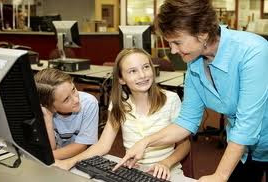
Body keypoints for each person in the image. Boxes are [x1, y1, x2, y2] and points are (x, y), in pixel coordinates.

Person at [113, 0, 268, 182]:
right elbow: (186, 122)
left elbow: (247, 124)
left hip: (248, 137)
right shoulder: (195, 63)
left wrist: (220, 175)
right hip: (243, 148)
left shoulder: (253, 50)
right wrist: (145, 141)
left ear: (202, 34)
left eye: (177, 42)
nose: (172, 50)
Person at [54, 48, 190, 180]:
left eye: (146, 67)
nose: (142, 75)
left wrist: (166, 163)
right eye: (132, 71)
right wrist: (70, 162)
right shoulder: (119, 104)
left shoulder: (171, 99)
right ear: (121, 79)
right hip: (133, 170)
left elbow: (184, 144)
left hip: (166, 171)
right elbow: (103, 145)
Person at [34, 68, 99, 160]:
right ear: (50, 106)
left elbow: (81, 146)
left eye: (73, 89)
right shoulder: (43, 110)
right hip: (55, 159)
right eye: (66, 99)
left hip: (80, 158)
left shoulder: (89, 103)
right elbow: (49, 148)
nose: (76, 100)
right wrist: (48, 118)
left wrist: (46, 156)